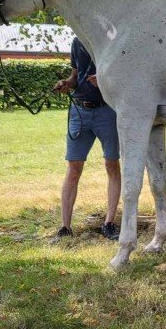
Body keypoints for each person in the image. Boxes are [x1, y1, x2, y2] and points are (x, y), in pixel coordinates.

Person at [52, 37, 121, 241]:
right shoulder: (77, 42)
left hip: (107, 111)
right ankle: (65, 227)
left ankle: (109, 223)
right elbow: (75, 77)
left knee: (112, 164)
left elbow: (125, 77)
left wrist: (105, 82)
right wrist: (66, 83)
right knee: (73, 168)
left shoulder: (112, 40)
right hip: (79, 112)